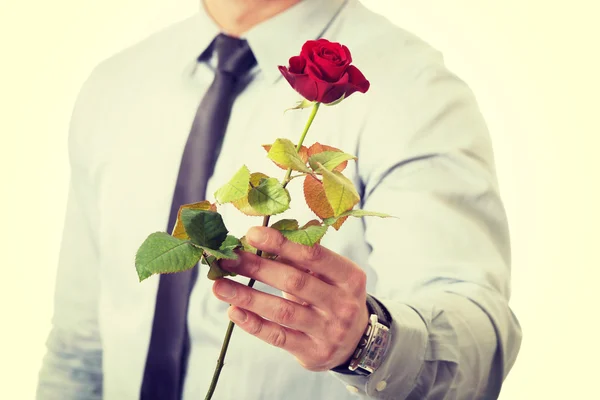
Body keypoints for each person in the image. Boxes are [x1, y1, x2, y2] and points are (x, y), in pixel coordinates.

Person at [36, 0, 522, 399]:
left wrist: (367, 343)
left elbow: (479, 329)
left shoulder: (414, 89)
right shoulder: (114, 86)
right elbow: (79, 348)